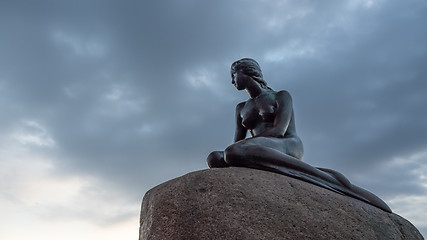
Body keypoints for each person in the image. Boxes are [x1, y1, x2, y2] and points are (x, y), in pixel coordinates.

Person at [207, 58, 391, 213]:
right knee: (216, 158)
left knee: (233, 153)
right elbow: (237, 142)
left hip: (286, 144)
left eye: (233, 74)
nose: (232, 81)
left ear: (247, 72)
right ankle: (270, 164)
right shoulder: (241, 108)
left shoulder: (280, 96)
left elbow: (279, 131)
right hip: (257, 148)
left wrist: (238, 151)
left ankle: (328, 180)